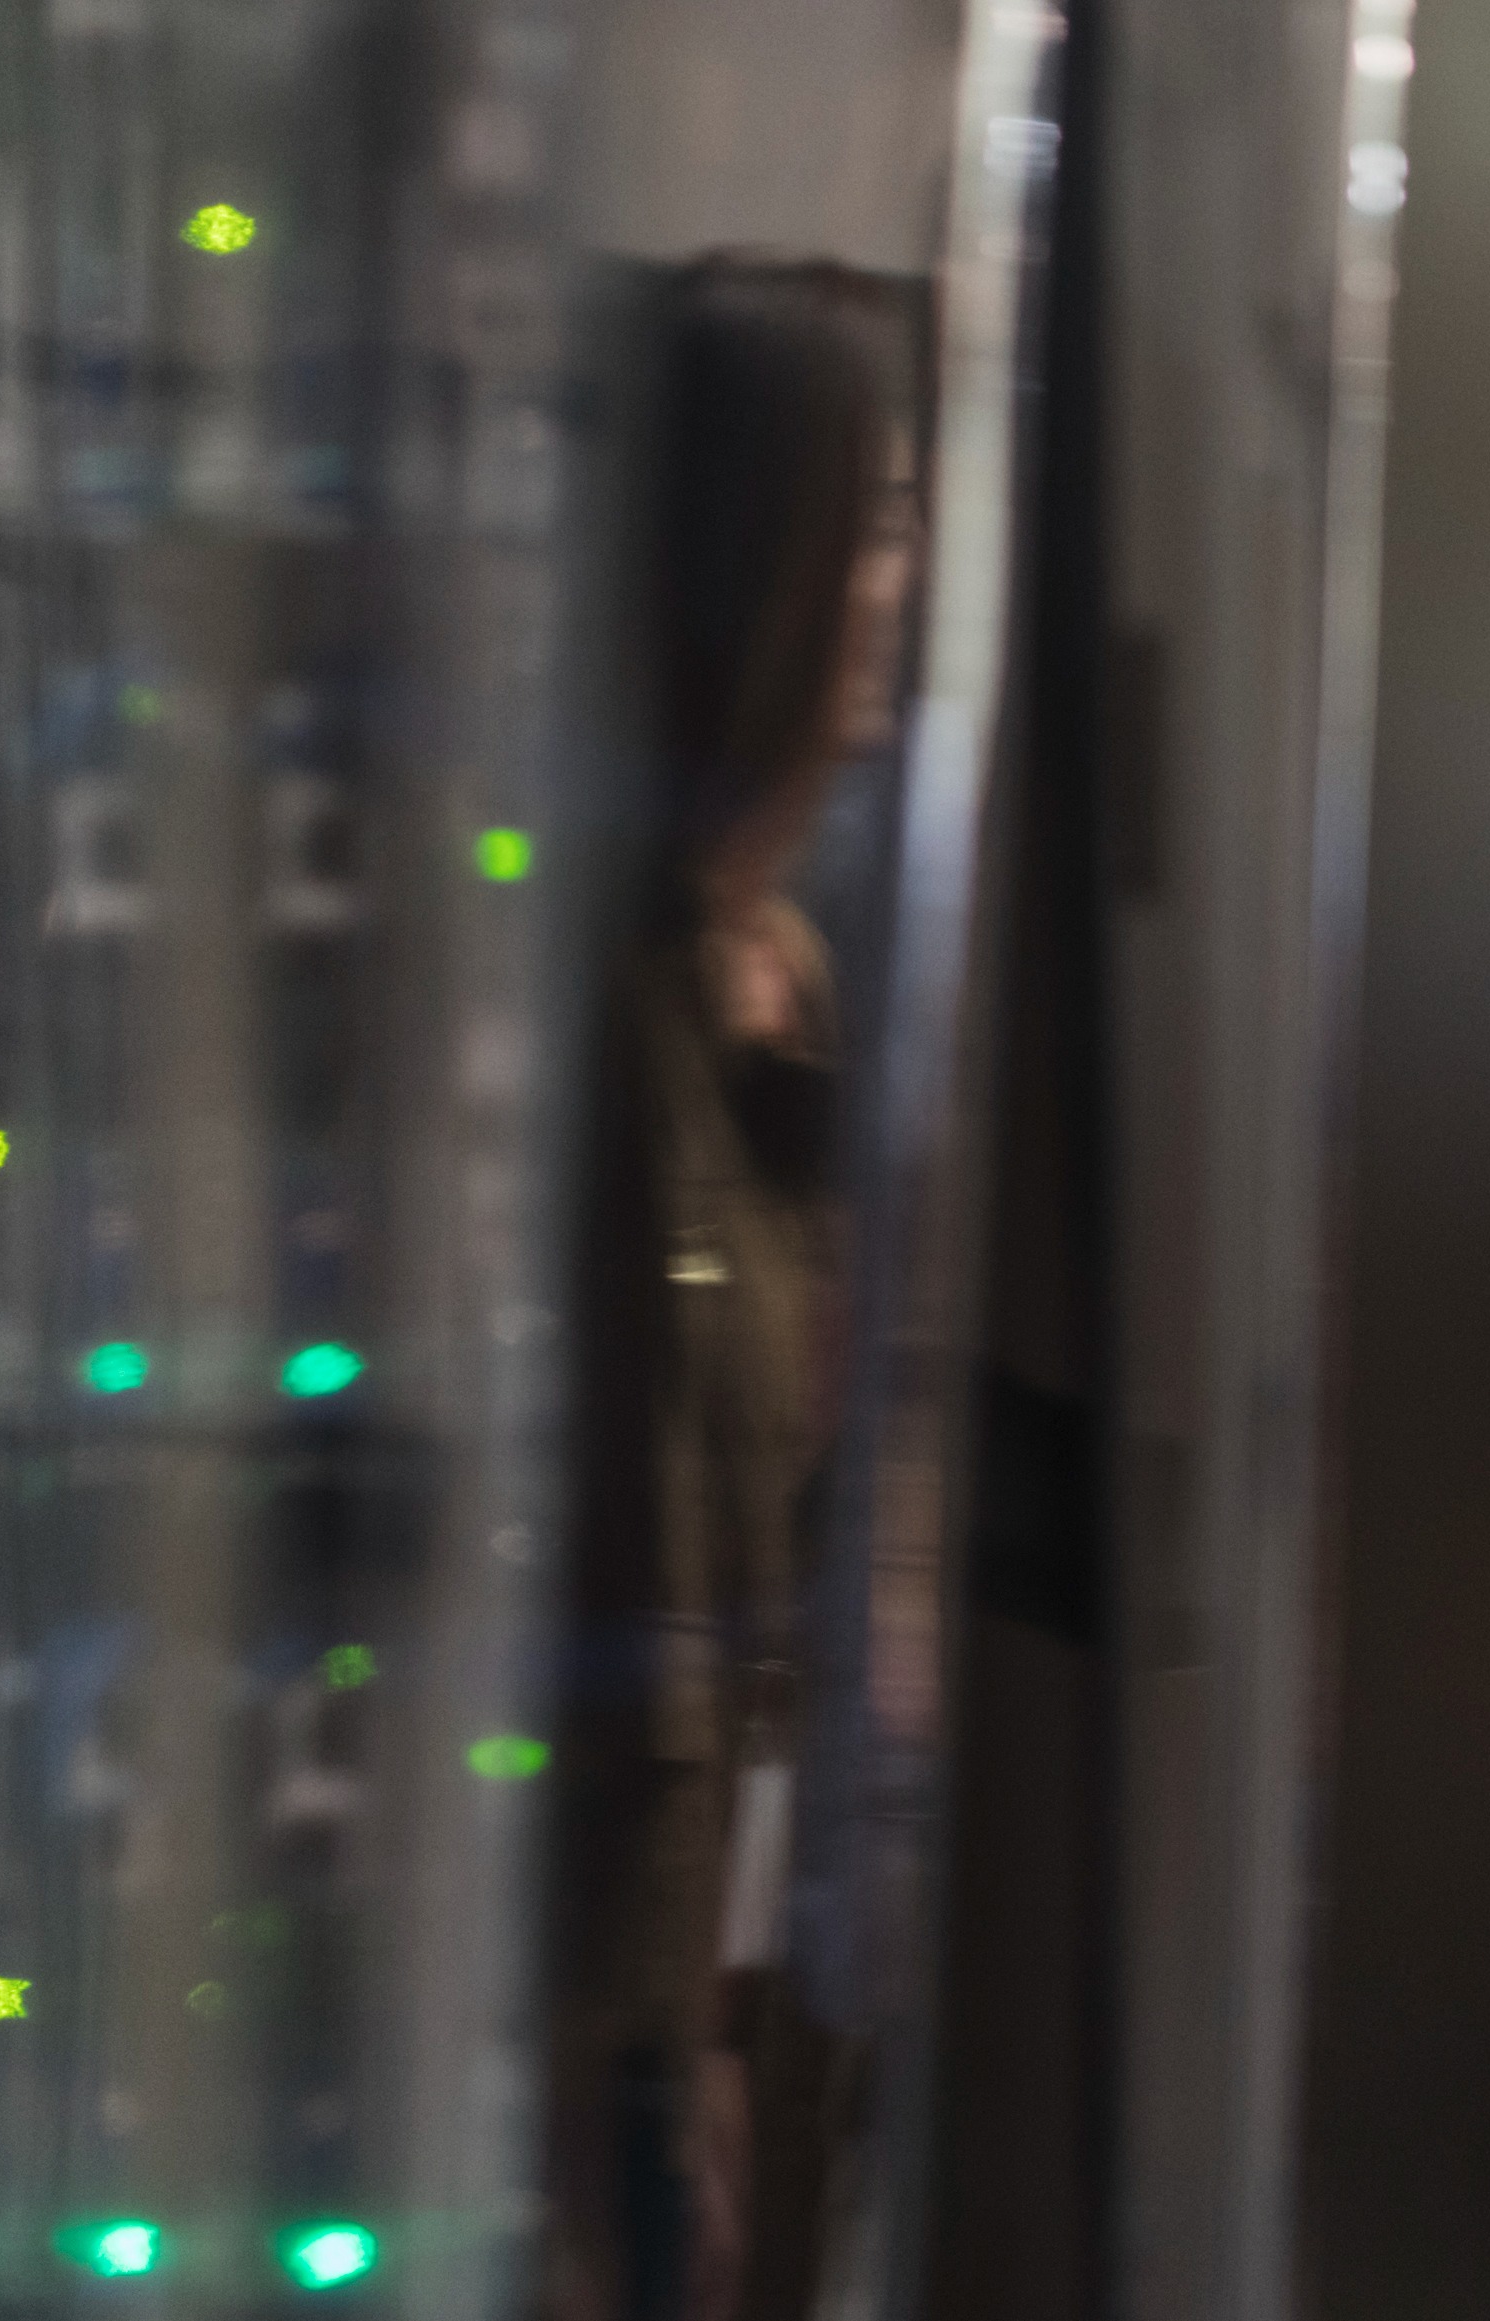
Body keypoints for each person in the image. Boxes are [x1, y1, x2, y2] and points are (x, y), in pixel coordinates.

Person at [545, 253, 927, 2321]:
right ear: (756, 576)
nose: (903, 573)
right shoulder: (606, 1027)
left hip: (767, 1963)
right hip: (614, 2004)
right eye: (866, 525)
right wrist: (660, 2034)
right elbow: (620, 1603)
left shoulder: (783, 990)